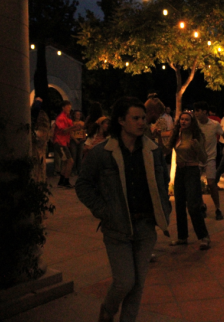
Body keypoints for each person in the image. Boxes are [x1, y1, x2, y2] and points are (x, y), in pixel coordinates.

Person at [75, 97, 171, 322]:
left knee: (137, 285)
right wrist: (104, 210)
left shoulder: (152, 150)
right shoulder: (102, 152)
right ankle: (107, 310)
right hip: (117, 227)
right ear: (120, 121)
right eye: (135, 118)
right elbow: (83, 184)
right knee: (124, 281)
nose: (142, 123)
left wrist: (164, 208)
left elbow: (162, 181)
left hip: (146, 226)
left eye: (143, 118)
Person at [164, 112, 211, 249]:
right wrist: (159, 140)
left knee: (193, 205)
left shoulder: (196, 136)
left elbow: (204, 158)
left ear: (192, 122)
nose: (183, 122)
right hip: (180, 171)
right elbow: (166, 150)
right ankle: (182, 237)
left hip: (192, 171)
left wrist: (196, 145)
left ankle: (204, 237)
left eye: (186, 120)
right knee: (179, 204)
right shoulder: (177, 135)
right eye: (182, 119)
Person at [193, 101, 224, 220]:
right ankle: (202, 205)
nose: (196, 113)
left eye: (198, 111)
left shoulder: (214, 124)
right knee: (196, 184)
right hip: (196, 158)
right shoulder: (194, 124)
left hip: (210, 157)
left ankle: (218, 208)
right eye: (195, 111)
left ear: (204, 112)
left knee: (211, 183)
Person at [54, 101, 82, 188]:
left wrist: (76, 128)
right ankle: (65, 181)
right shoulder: (61, 118)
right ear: (63, 107)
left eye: (70, 106)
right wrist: (74, 127)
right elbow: (64, 130)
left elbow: (69, 130)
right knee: (70, 161)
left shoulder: (67, 118)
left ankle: (61, 181)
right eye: (67, 106)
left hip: (63, 143)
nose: (69, 108)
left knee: (66, 162)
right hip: (60, 142)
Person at [70, 110, 85, 175]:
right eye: (77, 114)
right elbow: (70, 132)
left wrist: (83, 138)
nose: (78, 116)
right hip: (73, 139)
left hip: (81, 139)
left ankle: (79, 169)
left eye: (79, 114)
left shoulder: (83, 123)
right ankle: (73, 170)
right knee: (74, 155)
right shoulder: (72, 123)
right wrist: (75, 139)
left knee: (80, 155)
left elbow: (84, 131)